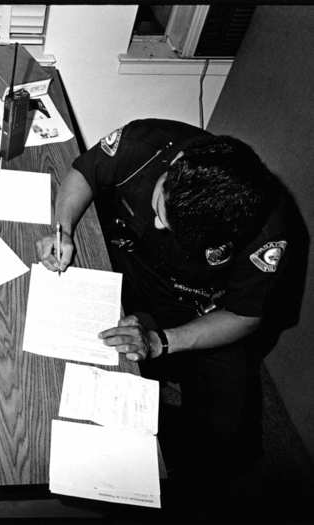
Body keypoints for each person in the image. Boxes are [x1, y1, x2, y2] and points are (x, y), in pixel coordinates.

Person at [36, 118, 287, 483]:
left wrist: (159, 342)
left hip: (197, 310)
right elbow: (84, 172)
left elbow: (244, 315)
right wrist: (64, 229)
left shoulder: (267, 234)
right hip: (127, 265)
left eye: (169, 226)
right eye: (158, 206)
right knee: (61, 368)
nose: (156, 224)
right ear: (175, 163)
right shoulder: (148, 142)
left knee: (230, 446)